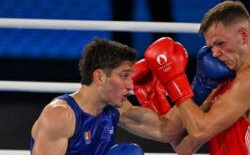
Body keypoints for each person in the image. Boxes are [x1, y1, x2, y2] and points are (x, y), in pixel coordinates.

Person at [144, 0, 250, 154]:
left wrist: (175, 80)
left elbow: (200, 131)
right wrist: (159, 97)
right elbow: (184, 147)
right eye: (211, 47)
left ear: (243, 35)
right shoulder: (223, 84)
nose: (215, 53)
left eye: (220, 43)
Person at [29, 37, 182, 155]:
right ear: (100, 77)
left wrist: (196, 88)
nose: (130, 85)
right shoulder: (61, 115)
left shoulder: (116, 109)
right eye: (124, 76)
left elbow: (166, 131)